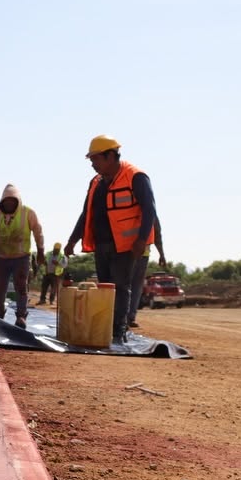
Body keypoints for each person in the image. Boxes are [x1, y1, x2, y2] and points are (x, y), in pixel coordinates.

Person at [64, 135, 158, 345]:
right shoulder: (96, 183)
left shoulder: (136, 176)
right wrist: (72, 240)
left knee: (121, 287)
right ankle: (105, 329)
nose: (93, 165)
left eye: (95, 159)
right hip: (102, 244)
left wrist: (141, 240)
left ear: (110, 156)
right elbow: (85, 213)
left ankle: (118, 331)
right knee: (105, 288)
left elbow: (149, 210)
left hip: (125, 246)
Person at [0, 183, 46, 328]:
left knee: (21, 286)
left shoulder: (28, 213)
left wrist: (40, 251)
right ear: (2, 202)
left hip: (21, 257)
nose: (9, 204)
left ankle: (21, 316)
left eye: (12, 201)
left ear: (18, 201)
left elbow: (38, 231)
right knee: (0, 287)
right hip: (1, 257)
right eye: (6, 201)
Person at [126, 216, 168, 327]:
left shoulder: (128, 210)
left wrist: (162, 254)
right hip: (135, 254)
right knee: (134, 287)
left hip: (129, 253)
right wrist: (161, 254)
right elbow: (157, 234)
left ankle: (125, 318)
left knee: (129, 286)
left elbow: (157, 234)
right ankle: (127, 318)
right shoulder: (150, 213)